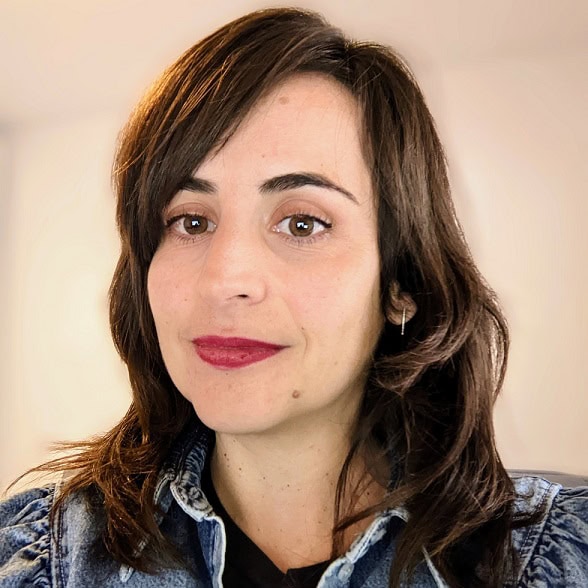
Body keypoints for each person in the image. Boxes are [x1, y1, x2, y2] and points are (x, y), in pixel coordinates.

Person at [0, 7, 586, 588]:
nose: (224, 279)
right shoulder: (38, 562)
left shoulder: (554, 562)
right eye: (191, 222)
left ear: (402, 285)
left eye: (302, 223)